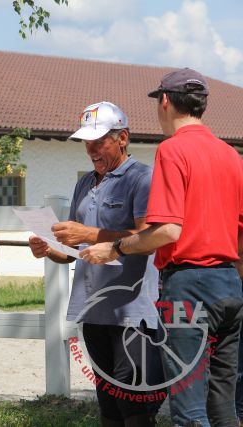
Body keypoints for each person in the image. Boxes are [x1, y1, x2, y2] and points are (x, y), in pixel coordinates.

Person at [82, 68, 243, 426]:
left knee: (189, 408)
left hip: (189, 286)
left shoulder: (172, 150)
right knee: (223, 406)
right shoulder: (231, 155)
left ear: (165, 101)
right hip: (230, 285)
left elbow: (168, 230)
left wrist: (115, 248)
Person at [29, 101, 162, 426]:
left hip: (131, 310)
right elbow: (72, 250)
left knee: (134, 405)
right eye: (86, 142)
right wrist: (49, 249)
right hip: (92, 308)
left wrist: (87, 233)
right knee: (108, 404)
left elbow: (148, 236)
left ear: (122, 138)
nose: (90, 149)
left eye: (99, 141)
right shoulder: (85, 183)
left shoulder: (142, 178)